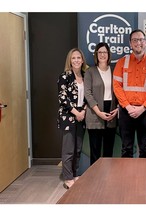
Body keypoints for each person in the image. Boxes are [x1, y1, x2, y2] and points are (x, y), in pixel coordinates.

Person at [113, 29, 146, 158]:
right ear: (130, 43)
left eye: (141, 40)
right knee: (126, 149)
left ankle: (144, 178)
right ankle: (127, 178)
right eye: (135, 40)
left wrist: (143, 108)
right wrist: (127, 107)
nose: (138, 42)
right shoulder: (122, 62)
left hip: (145, 112)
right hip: (125, 110)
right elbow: (117, 86)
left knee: (145, 149)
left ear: (145, 43)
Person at [57, 48, 88, 189]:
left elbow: (89, 96)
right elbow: (63, 98)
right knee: (68, 149)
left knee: (78, 148)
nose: (76, 60)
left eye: (78, 58)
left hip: (82, 116)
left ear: (82, 60)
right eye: (73, 58)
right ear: (70, 60)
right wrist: (76, 112)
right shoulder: (65, 76)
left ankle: (75, 174)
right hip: (69, 116)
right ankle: (68, 177)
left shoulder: (85, 76)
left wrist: (84, 111)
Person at [84, 42, 118, 165]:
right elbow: (87, 93)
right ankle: (94, 181)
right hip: (95, 113)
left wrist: (118, 108)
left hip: (111, 112)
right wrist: (98, 112)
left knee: (109, 151)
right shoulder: (90, 72)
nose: (102, 55)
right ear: (96, 55)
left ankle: (107, 180)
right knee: (95, 152)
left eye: (105, 52)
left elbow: (120, 91)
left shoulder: (115, 71)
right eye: (100, 52)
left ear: (109, 54)